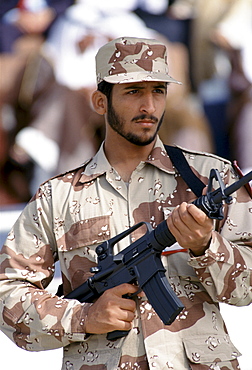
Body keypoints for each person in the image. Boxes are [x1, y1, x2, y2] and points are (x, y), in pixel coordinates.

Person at [0, 36, 251, 370]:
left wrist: (206, 246)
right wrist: (84, 316)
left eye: (158, 91)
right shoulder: (57, 197)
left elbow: (246, 289)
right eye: (133, 91)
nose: (148, 105)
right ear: (101, 102)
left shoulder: (207, 177)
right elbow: (9, 294)